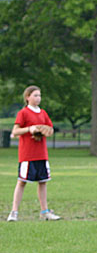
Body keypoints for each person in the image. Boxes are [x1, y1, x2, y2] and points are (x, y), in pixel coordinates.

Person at [7, 86, 61, 222]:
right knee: (22, 182)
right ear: (27, 97)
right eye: (35, 95)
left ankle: (44, 212)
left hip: (41, 153)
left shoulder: (43, 113)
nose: (38, 98)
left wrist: (46, 130)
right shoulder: (23, 113)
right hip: (27, 154)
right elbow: (15, 131)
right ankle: (14, 212)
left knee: (43, 182)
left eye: (39, 95)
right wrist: (29, 129)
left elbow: (50, 128)